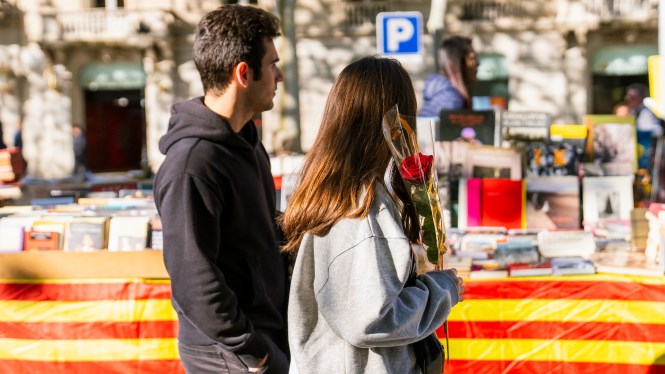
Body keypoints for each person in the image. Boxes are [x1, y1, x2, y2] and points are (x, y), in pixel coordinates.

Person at [281, 56, 464, 374]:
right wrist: (440, 289)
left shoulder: (337, 189)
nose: (409, 130)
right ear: (391, 121)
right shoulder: (361, 205)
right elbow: (370, 318)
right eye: (408, 118)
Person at [153, 4, 289, 374]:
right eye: (272, 64)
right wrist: (254, 352)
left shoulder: (247, 141)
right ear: (244, 73)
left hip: (263, 340)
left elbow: (260, 234)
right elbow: (193, 279)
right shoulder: (191, 164)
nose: (278, 75)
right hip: (229, 358)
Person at [419, 35, 478, 117]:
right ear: (457, 62)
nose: (478, 63)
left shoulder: (444, 94)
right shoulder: (451, 101)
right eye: (472, 58)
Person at [625, 83, 663, 170]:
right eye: (628, 97)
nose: (629, 100)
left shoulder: (646, 113)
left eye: (633, 97)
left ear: (641, 97)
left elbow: (656, 131)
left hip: (646, 156)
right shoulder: (633, 111)